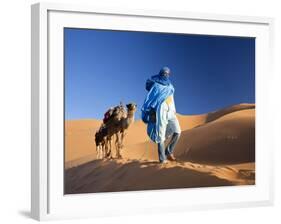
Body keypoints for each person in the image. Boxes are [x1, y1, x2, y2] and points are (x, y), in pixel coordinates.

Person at [141, 67, 181, 164]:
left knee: (178, 131)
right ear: (161, 73)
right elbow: (150, 96)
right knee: (160, 135)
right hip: (160, 110)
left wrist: (174, 110)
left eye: (167, 73)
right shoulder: (156, 85)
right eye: (164, 73)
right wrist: (151, 111)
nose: (165, 74)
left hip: (171, 110)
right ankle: (162, 159)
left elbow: (172, 98)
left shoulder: (171, 86)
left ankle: (169, 151)